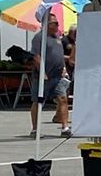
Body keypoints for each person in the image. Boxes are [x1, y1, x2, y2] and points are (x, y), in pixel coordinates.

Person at [28, 10, 70, 138]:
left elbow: (59, 56)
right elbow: (36, 56)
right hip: (43, 77)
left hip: (57, 76)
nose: (58, 26)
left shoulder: (57, 38)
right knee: (38, 101)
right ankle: (35, 129)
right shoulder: (39, 38)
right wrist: (42, 72)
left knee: (63, 99)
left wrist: (64, 68)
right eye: (55, 23)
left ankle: (65, 128)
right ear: (47, 24)